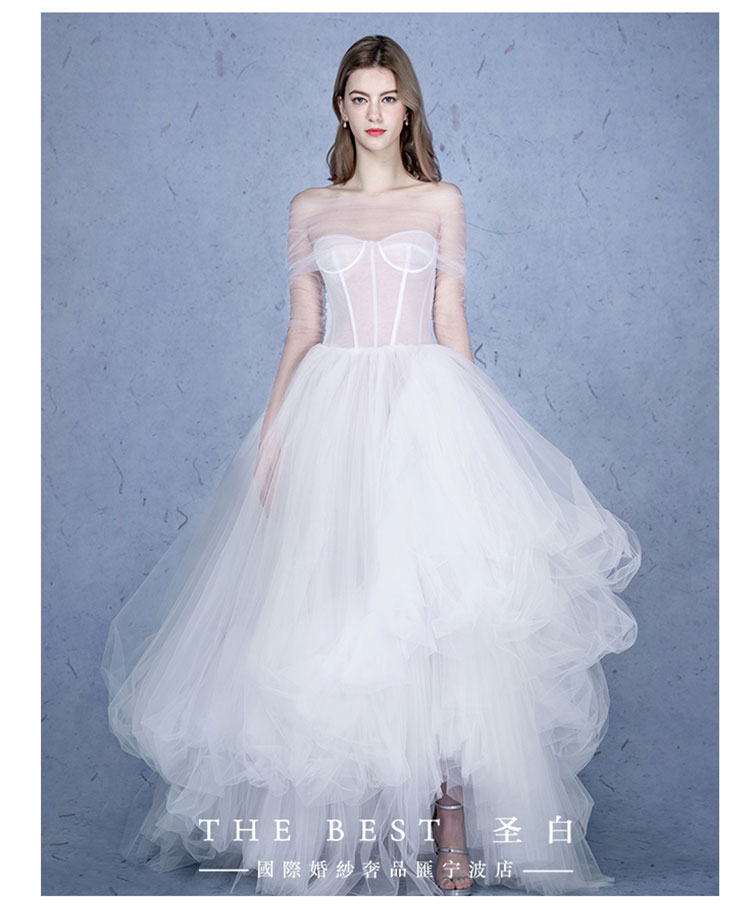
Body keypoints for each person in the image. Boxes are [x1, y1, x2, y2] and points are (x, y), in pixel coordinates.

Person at [101, 34, 641, 897]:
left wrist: (472, 438)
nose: (376, 113)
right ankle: (338, 821)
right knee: (339, 609)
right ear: (340, 108)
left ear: (409, 107)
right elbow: (302, 328)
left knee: (439, 619)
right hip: (331, 412)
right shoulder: (311, 207)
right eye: (360, 98)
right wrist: (273, 434)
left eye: (390, 97)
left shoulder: (441, 200)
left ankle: (449, 816)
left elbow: (451, 316)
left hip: (427, 409)